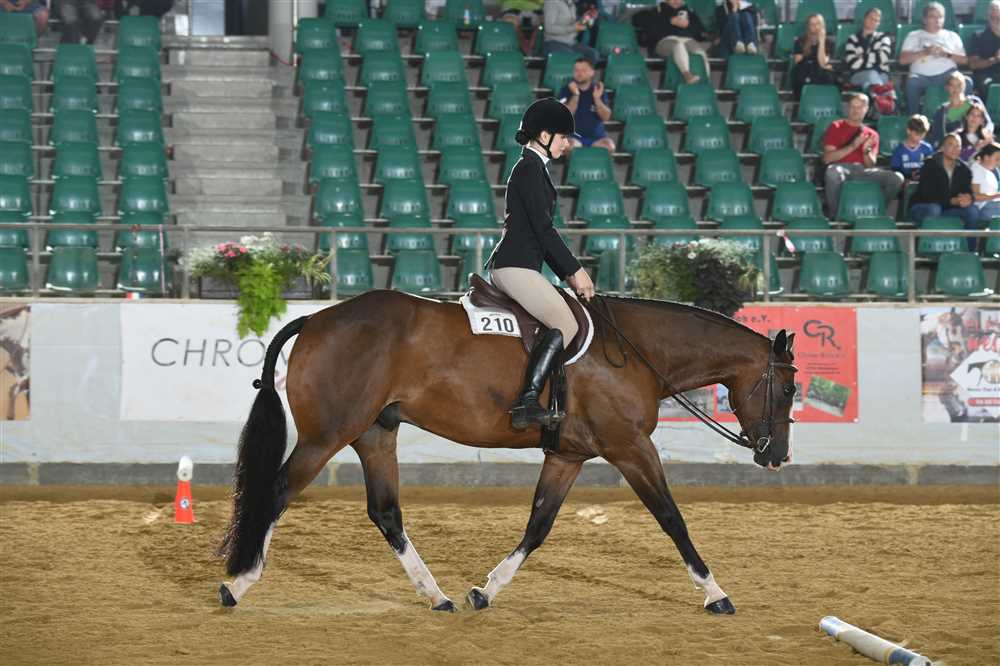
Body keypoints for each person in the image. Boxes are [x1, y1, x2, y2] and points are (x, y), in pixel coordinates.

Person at [486, 98, 596, 429]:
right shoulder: (529, 169)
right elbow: (543, 230)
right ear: (544, 135)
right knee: (565, 324)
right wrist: (575, 271)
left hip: (521, 264)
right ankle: (528, 401)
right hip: (514, 265)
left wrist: (568, 273)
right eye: (563, 137)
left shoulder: (535, 169)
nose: (568, 143)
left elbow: (542, 235)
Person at [822, 92, 904, 215]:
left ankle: (877, 210)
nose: (855, 110)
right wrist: (853, 146)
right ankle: (836, 215)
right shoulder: (836, 126)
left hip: (863, 170)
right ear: (848, 108)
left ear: (866, 109)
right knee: (832, 173)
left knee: (896, 178)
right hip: (841, 168)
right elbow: (827, 158)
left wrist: (866, 151)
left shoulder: (872, 134)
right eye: (853, 107)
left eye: (859, 107)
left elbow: (870, 165)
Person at [899, 2, 969, 114]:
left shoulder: (952, 36)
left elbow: (965, 60)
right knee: (911, 83)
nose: (937, 20)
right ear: (924, 19)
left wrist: (946, 54)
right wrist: (925, 52)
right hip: (920, 76)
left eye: (940, 17)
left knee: (967, 82)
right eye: (932, 17)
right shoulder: (914, 35)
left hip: (947, 75)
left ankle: (958, 116)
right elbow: (903, 60)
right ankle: (914, 118)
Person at [908, 133, 979, 240]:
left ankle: (970, 249)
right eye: (951, 145)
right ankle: (926, 245)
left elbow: (968, 191)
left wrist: (968, 199)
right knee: (934, 209)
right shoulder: (929, 165)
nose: (955, 149)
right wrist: (951, 201)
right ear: (942, 147)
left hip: (948, 209)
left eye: (958, 146)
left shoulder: (965, 170)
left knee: (972, 211)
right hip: (923, 207)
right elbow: (928, 195)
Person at [557, 57, 615, 152]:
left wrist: (597, 98)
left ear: (592, 72)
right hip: (573, 137)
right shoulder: (566, 89)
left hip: (597, 138)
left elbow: (606, 117)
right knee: (567, 146)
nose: (579, 73)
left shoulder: (598, 89)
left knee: (609, 146)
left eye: (583, 70)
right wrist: (575, 95)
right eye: (576, 70)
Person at [652, 0, 711, 85]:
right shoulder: (657, 11)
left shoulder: (689, 12)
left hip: (687, 39)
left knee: (700, 52)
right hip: (665, 41)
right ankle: (687, 75)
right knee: (679, 46)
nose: (676, 1)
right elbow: (651, 32)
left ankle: (706, 80)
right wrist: (670, 22)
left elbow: (700, 34)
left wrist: (688, 25)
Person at [928, 70, 993, 146]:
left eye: (958, 85)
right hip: (955, 148)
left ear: (963, 86)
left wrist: (986, 133)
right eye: (952, 85)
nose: (955, 88)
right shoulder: (941, 111)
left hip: (979, 142)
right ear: (947, 87)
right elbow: (936, 137)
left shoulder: (975, 101)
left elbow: (988, 123)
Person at [843, 7, 892, 90]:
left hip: (881, 74)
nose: (873, 21)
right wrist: (875, 58)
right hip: (858, 75)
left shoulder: (884, 38)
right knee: (872, 74)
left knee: (868, 84)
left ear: (879, 23)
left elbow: (884, 57)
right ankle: (881, 94)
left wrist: (862, 57)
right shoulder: (852, 39)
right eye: (870, 18)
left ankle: (875, 94)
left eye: (876, 20)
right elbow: (852, 63)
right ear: (864, 19)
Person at [790, 14, 835, 96]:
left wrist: (821, 42)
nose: (816, 27)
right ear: (808, 27)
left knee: (828, 75)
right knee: (800, 74)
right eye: (812, 24)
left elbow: (823, 63)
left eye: (818, 23)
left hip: (819, 70)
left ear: (822, 25)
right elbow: (797, 61)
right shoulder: (800, 41)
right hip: (804, 70)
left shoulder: (828, 42)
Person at [969, 1, 1000, 99]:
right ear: (988, 18)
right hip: (986, 75)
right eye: (993, 18)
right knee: (990, 86)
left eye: (999, 18)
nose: (997, 21)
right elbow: (973, 64)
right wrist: (995, 59)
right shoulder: (978, 36)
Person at [891, 114, 935, 180]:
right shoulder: (898, 150)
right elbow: (896, 170)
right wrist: (909, 176)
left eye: (923, 134)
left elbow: (931, 168)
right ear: (908, 131)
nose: (920, 137)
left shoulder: (927, 148)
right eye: (917, 134)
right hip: (904, 181)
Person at [970, 142, 1000, 224]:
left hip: (994, 205)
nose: (998, 163)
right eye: (997, 159)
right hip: (983, 209)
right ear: (986, 157)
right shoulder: (976, 169)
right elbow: (976, 197)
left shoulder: (991, 172)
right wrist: (997, 195)